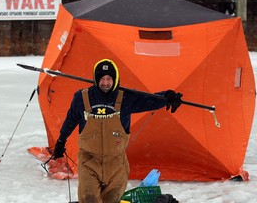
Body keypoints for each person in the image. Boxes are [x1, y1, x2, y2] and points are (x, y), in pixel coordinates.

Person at [53, 59, 182, 203]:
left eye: (109, 79)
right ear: (96, 79)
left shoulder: (125, 97)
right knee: (88, 198)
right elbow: (70, 120)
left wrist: (167, 97)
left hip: (116, 163)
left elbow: (149, 100)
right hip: (89, 161)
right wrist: (60, 141)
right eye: (101, 78)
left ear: (115, 79)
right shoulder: (82, 98)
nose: (105, 83)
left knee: (112, 201)